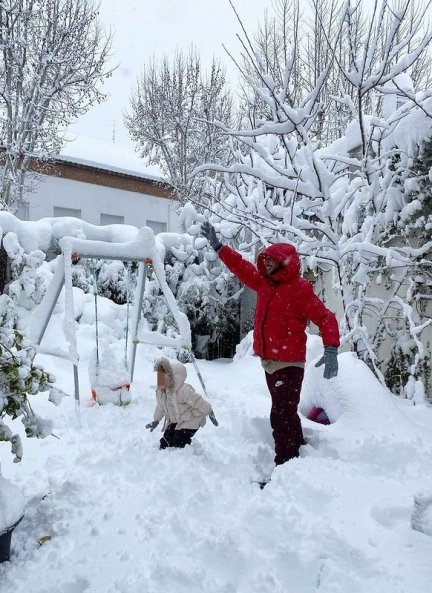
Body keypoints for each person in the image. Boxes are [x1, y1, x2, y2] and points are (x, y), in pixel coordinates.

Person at [200, 221, 340, 466]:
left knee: (280, 415)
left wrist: (331, 348)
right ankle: (298, 450)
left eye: (270, 260)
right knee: (284, 411)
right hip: (270, 361)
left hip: (289, 362)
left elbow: (325, 316)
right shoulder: (265, 283)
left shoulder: (299, 289)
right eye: (264, 259)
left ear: (284, 262)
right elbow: (241, 267)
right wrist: (220, 248)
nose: (265, 263)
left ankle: (286, 462)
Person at [146, 357, 218, 449]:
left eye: (163, 377)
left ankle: (186, 452)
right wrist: (156, 420)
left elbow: (198, 401)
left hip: (192, 419)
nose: (160, 380)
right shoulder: (161, 392)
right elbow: (160, 407)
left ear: (172, 378)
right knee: (166, 442)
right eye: (159, 377)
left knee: (178, 441)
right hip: (177, 420)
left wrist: (210, 412)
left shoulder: (184, 390)